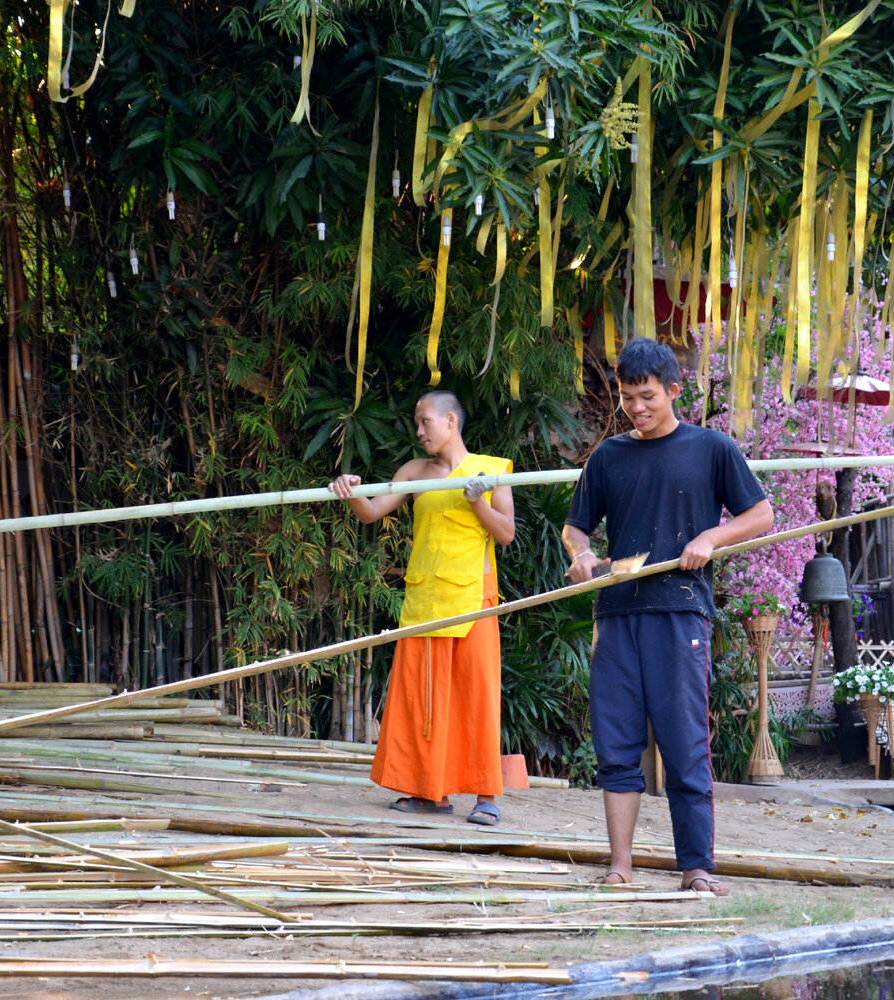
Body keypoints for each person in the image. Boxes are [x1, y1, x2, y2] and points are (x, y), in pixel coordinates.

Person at [561, 339, 773, 895]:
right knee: (616, 742)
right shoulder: (608, 456)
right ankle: (621, 866)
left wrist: (711, 536)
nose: (637, 407)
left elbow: (762, 513)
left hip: (682, 614)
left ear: (674, 390)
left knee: (684, 742)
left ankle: (696, 868)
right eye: (628, 397)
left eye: (647, 395)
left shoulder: (711, 449)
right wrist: (581, 555)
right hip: (618, 612)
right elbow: (575, 526)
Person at [329, 390, 515, 826]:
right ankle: (431, 793)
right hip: (425, 599)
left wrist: (476, 501)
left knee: (477, 697)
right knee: (425, 698)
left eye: (424, 421)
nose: (418, 431)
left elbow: (505, 533)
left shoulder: (492, 470)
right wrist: (349, 491)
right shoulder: (415, 471)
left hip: (474, 599)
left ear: (450, 420)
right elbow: (371, 512)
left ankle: (486, 795)